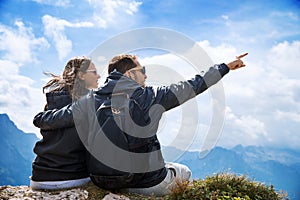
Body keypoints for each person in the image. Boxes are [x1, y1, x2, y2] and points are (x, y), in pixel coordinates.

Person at [33, 53, 248, 195]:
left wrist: (39, 119)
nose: (146, 74)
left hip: (101, 179)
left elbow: (56, 118)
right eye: (142, 69)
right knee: (185, 172)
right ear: (130, 73)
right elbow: (193, 85)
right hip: (145, 182)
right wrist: (225, 67)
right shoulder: (150, 96)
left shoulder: (90, 99)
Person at [30, 56, 100, 190]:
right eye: (94, 72)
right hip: (71, 177)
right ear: (81, 75)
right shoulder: (89, 104)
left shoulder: (54, 101)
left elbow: (38, 119)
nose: (99, 76)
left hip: (39, 177)